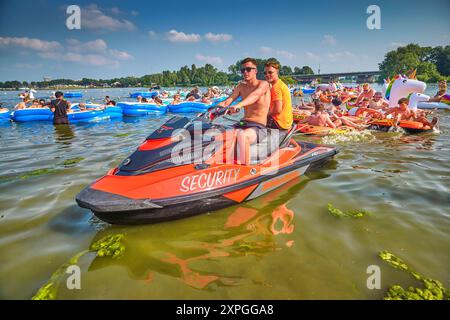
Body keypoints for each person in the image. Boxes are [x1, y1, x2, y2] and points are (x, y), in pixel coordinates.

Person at [216, 57, 271, 165]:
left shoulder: (263, 84)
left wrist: (239, 105)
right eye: (243, 70)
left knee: (243, 136)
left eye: (248, 69)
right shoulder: (241, 86)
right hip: (243, 123)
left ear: (255, 71)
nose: (245, 72)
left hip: (258, 127)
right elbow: (228, 101)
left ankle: (246, 169)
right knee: (218, 136)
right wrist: (212, 110)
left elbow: (254, 96)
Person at [263, 60, 293, 140]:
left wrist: (263, 115)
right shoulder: (281, 84)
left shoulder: (276, 88)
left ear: (277, 72)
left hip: (279, 123)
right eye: (265, 73)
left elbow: (277, 110)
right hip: (286, 122)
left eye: (270, 72)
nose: (267, 75)